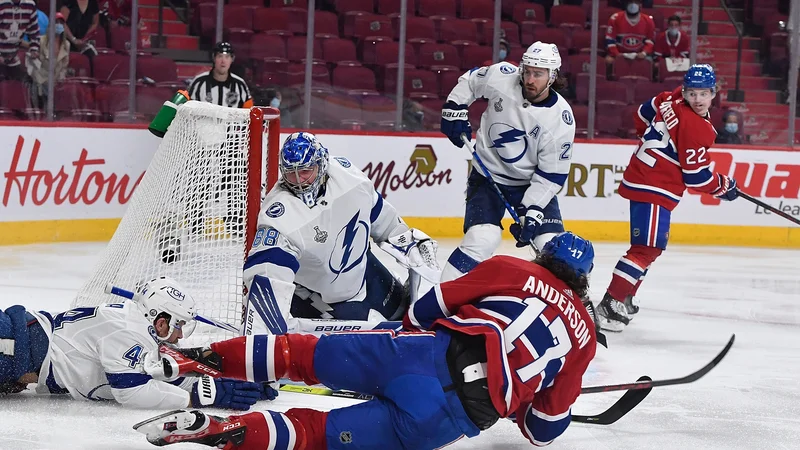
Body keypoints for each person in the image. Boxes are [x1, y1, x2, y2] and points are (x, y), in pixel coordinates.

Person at [133, 232, 599, 450]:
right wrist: (517, 401)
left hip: (422, 354)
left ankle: (197, 358)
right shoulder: (584, 341)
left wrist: (408, 347)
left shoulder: (516, 269)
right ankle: (222, 433)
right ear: (581, 284)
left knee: (301, 354)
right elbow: (543, 431)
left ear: (544, 257)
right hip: (445, 418)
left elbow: (425, 307)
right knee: (314, 435)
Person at [240, 131, 441, 335]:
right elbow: (265, 276)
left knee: (404, 316)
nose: (299, 181)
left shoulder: (348, 177)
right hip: (325, 299)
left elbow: (383, 220)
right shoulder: (279, 215)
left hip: (366, 272)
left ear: (322, 164)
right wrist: (261, 330)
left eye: (306, 171)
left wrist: (407, 241)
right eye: (292, 173)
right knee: (373, 350)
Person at [596, 64, 740, 332]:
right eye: (692, 93)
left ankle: (624, 295)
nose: (697, 99)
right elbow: (696, 177)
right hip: (655, 185)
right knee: (646, 249)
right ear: (686, 91)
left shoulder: (669, 97)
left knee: (648, 248)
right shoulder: (699, 128)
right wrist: (723, 186)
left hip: (646, 178)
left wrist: (648, 136)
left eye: (703, 93)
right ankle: (609, 305)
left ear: (714, 93)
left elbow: (641, 114)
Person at [0, 276, 275, 410]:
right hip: (12, 347)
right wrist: (201, 394)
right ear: (161, 320)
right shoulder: (127, 331)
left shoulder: (133, 323)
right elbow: (130, 392)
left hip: (18, 348)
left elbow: (150, 372)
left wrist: (211, 379)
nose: (180, 335)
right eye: (178, 326)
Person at [439, 41, 576, 282]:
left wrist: (531, 208)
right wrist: (455, 106)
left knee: (551, 247)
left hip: (529, 183)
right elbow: (471, 81)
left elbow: (552, 175)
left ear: (553, 76)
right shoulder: (503, 76)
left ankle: (560, 307)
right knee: (482, 238)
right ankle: (438, 298)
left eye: (538, 74)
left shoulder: (560, 120)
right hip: (486, 176)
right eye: (527, 71)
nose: (530, 79)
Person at [187, 41, 253, 109]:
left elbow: (248, 112)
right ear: (214, 58)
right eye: (220, 56)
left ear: (232, 59)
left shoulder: (240, 85)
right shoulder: (198, 82)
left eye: (227, 57)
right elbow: (187, 109)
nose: (223, 61)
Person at [26, 12, 70, 108]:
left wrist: (60, 79)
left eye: (61, 23)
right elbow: (30, 61)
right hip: (40, 83)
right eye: (56, 22)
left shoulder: (66, 45)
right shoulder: (40, 41)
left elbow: (64, 66)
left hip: (56, 84)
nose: (59, 25)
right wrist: (39, 78)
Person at [0, 0, 40, 81]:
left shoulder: (30, 5)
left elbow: (34, 31)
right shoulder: (2, 4)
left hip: (13, 56)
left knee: (21, 83)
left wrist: (34, 49)